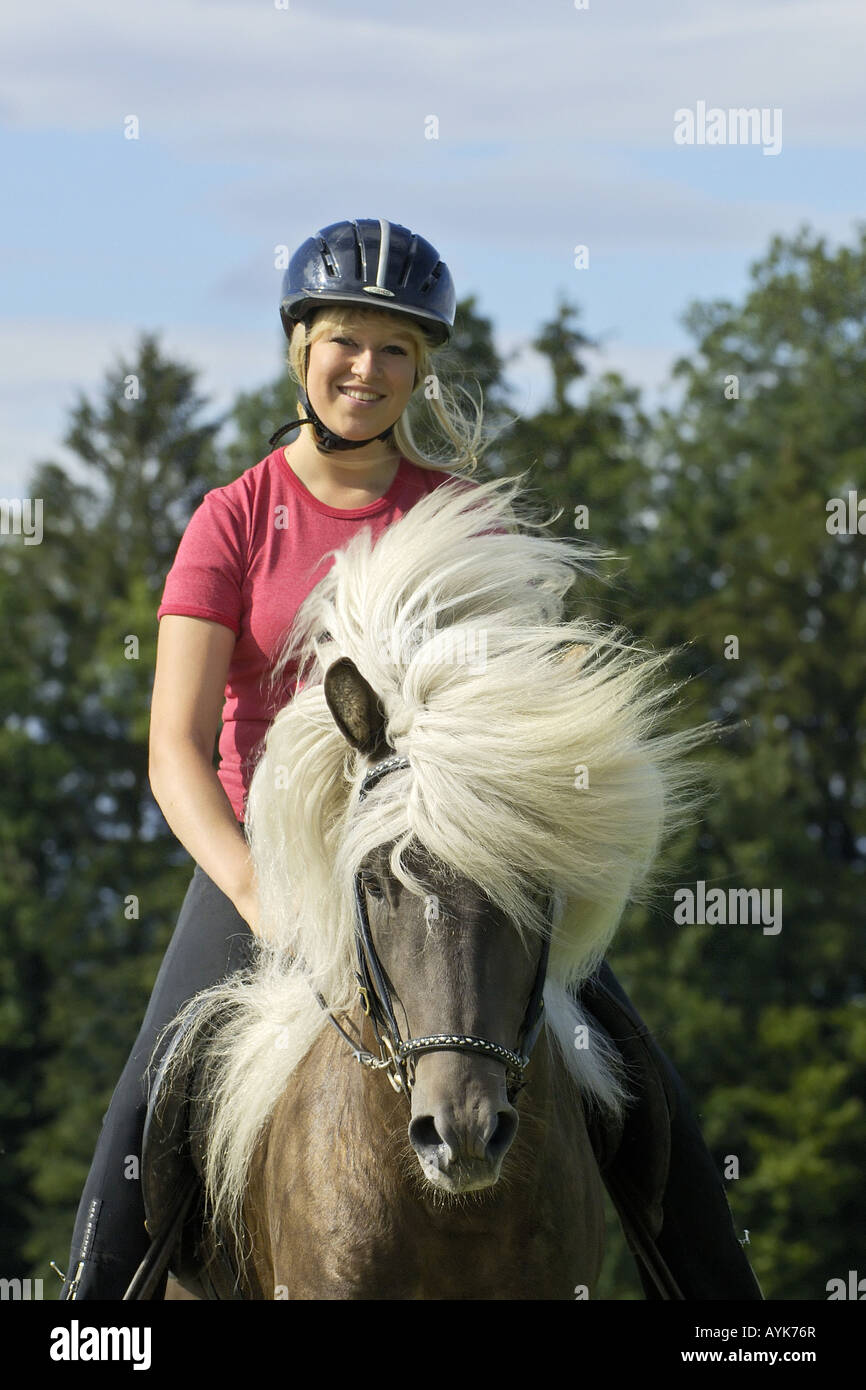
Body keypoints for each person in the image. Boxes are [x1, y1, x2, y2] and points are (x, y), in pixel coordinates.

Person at [59, 217, 761, 1301]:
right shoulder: (233, 520)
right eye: (346, 341)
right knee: (148, 1098)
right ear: (302, 349)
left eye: (396, 349)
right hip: (277, 864)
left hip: (445, 861)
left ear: (421, 367)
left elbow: (514, 708)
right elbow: (173, 752)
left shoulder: (460, 519)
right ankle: (93, 1322)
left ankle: (731, 1322)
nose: (367, 370)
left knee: (640, 1079)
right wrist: (259, 894)